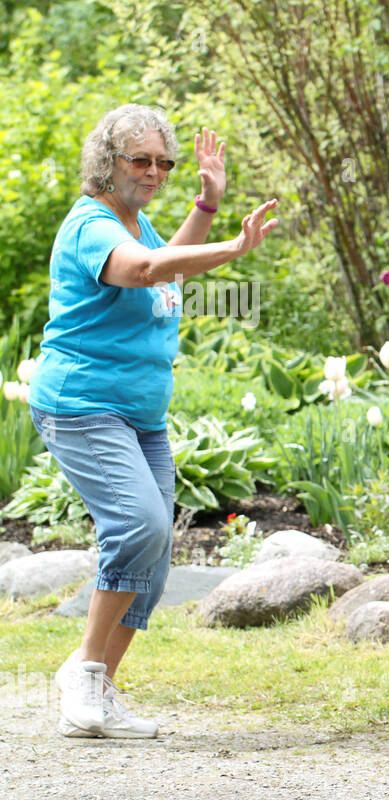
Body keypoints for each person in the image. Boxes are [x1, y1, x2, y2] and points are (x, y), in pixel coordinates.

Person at [36, 104, 277, 738]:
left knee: (154, 550)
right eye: (140, 160)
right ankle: (84, 672)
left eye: (162, 162)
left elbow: (159, 263)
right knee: (137, 524)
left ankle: (97, 690)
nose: (154, 171)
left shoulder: (132, 220)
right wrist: (233, 248)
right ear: (105, 164)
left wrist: (207, 207)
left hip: (140, 416)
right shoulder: (92, 225)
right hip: (84, 405)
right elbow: (144, 271)